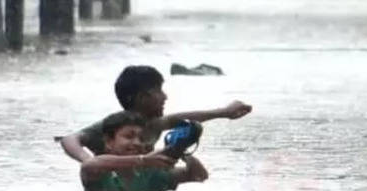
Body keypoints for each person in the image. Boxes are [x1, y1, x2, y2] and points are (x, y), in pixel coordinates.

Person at [57, 65, 252, 163]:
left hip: (144, 178)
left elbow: (180, 117)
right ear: (142, 98)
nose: (165, 97)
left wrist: (224, 112)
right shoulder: (113, 126)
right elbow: (69, 139)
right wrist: (89, 162)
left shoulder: (152, 124)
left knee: (191, 129)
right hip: (115, 183)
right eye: (159, 91)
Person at [80, 111, 208, 191]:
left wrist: (179, 150)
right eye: (129, 136)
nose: (137, 142)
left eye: (141, 138)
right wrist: (143, 160)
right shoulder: (99, 173)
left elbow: (198, 176)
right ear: (108, 141)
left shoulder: (151, 174)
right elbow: (89, 164)